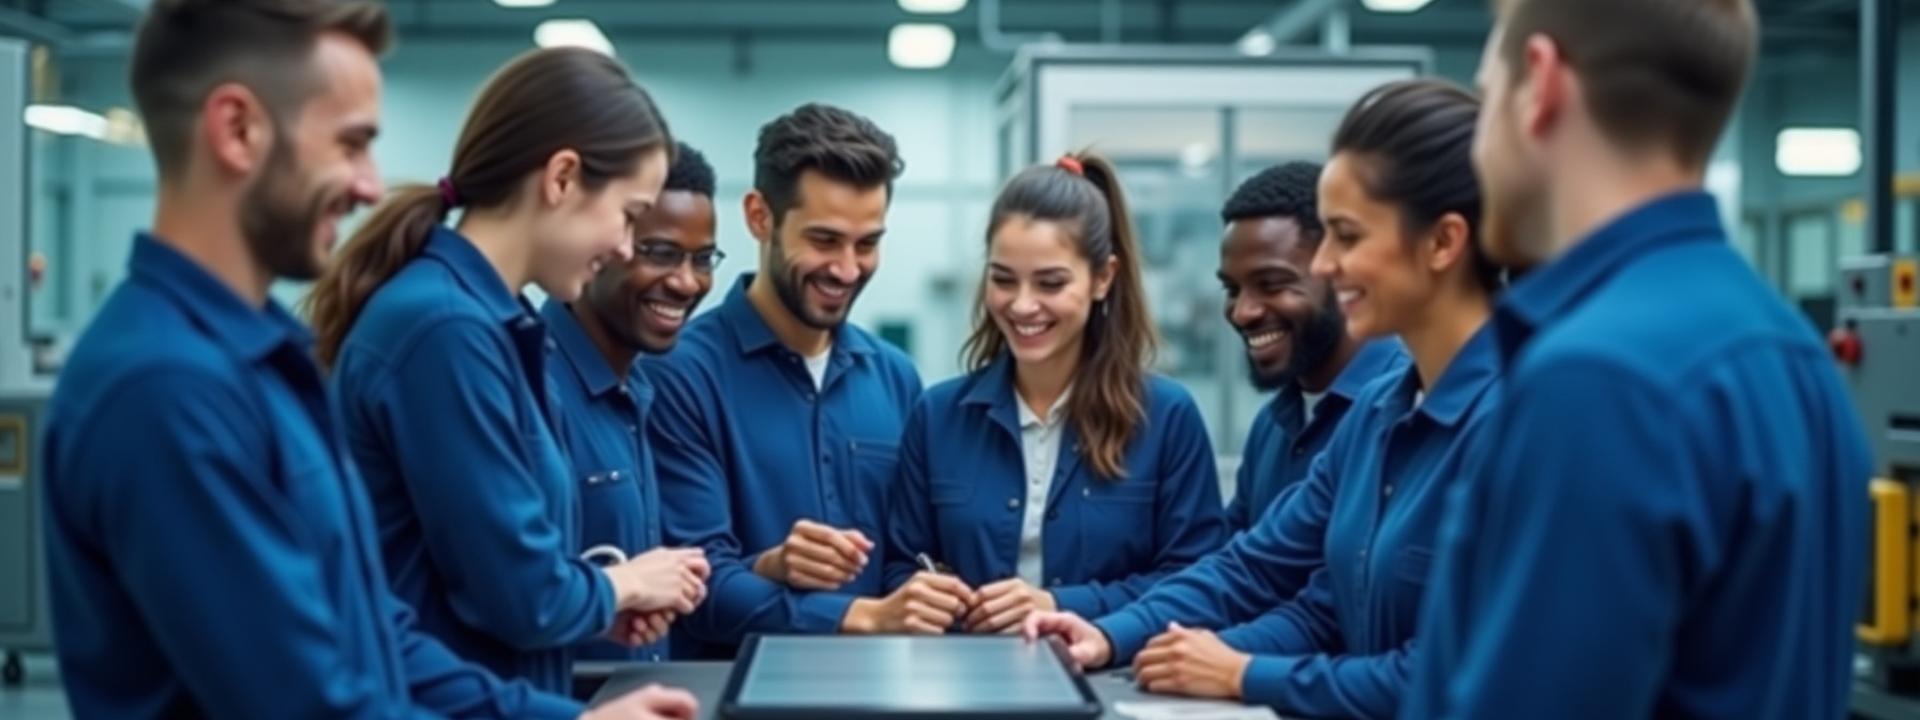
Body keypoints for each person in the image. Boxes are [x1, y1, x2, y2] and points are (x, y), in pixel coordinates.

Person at [41, 1, 693, 717]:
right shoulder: (167, 387)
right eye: (349, 145)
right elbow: (310, 701)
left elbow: (375, 638)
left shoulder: (258, 361)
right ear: (237, 130)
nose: (370, 186)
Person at [1406, 1, 1871, 717]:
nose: (1478, 149)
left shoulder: (1598, 380)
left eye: (1486, 92)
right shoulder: (1794, 353)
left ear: (1540, 84)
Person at [1026, 79, 1504, 720]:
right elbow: (1271, 576)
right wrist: (1118, 634)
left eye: (1347, 236)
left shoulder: (1519, 420)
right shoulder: (1378, 415)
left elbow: (1453, 674)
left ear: (1444, 243)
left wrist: (1248, 674)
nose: (1328, 266)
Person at [305, 47, 710, 697]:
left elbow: (486, 572)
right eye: (629, 216)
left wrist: (599, 605)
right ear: (562, 178)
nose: (626, 248)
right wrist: (622, 583)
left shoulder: (493, 325)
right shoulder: (446, 331)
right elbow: (523, 597)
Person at [881, 153, 1228, 634]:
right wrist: (930, 597)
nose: (1022, 305)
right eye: (1003, 279)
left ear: (1103, 278)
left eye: (1051, 283)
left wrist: (1059, 603)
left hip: (1113, 681)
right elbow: (900, 568)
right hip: (965, 679)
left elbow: (1200, 585)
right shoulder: (937, 415)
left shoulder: (1166, 417)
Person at [648, 103, 929, 657]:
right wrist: (858, 616)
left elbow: (908, 557)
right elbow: (693, 583)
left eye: (867, 243)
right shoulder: (678, 374)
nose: (848, 269)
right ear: (760, 217)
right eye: (824, 240)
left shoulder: (896, 378)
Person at [545, 141, 720, 673]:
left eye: (703, 258)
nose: (687, 281)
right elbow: (511, 596)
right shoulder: (531, 384)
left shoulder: (639, 391)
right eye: (661, 253)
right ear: (607, 242)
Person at [1217, 162, 1409, 533]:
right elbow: (1232, 564)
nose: (1243, 312)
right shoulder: (1272, 425)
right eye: (1232, 289)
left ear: (1338, 273)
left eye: (1272, 284)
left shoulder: (1402, 407)